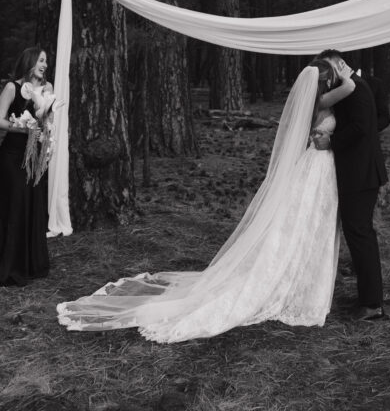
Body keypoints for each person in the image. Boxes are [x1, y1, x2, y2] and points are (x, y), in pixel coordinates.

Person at [57, 63, 353, 341]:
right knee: (308, 223)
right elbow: (351, 86)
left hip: (315, 166)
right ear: (324, 81)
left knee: (305, 224)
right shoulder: (323, 101)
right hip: (316, 167)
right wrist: (346, 73)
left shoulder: (316, 102)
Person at [313, 49, 388, 321]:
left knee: (360, 234)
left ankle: (372, 304)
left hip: (361, 174)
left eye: (330, 68)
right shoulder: (349, 88)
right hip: (359, 173)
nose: (328, 75)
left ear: (341, 63)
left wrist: (331, 142)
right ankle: (369, 299)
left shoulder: (357, 89)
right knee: (359, 234)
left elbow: (361, 128)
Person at [0, 46, 51, 286]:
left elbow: (48, 120)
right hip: (12, 156)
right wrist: (22, 127)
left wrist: (45, 127)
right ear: (30, 61)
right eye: (41, 60)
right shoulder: (13, 87)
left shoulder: (47, 89)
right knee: (15, 206)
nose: (44, 65)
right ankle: (10, 265)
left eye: (46, 61)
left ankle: (31, 263)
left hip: (34, 157)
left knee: (33, 204)